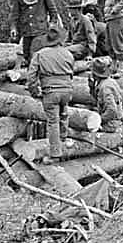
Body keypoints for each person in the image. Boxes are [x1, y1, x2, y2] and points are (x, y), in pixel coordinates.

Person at [27, 24, 74, 164]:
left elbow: (31, 77)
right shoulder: (68, 53)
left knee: (52, 122)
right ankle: (64, 138)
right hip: (67, 90)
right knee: (64, 113)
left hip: (50, 91)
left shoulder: (40, 54)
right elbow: (72, 73)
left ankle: (55, 155)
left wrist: (34, 91)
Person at [9, 0, 58, 65]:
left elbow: (53, 10)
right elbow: (15, 14)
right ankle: (29, 76)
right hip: (26, 31)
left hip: (40, 31)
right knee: (26, 56)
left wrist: (53, 23)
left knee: (35, 55)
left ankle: (37, 77)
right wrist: (13, 28)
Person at [88, 57, 123, 133]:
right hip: (113, 120)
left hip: (111, 124)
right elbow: (97, 100)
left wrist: (99, 120)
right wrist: (92, 88)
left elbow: (111, 110)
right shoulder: (107, 82)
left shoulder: (105, 88)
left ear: (95, 74)